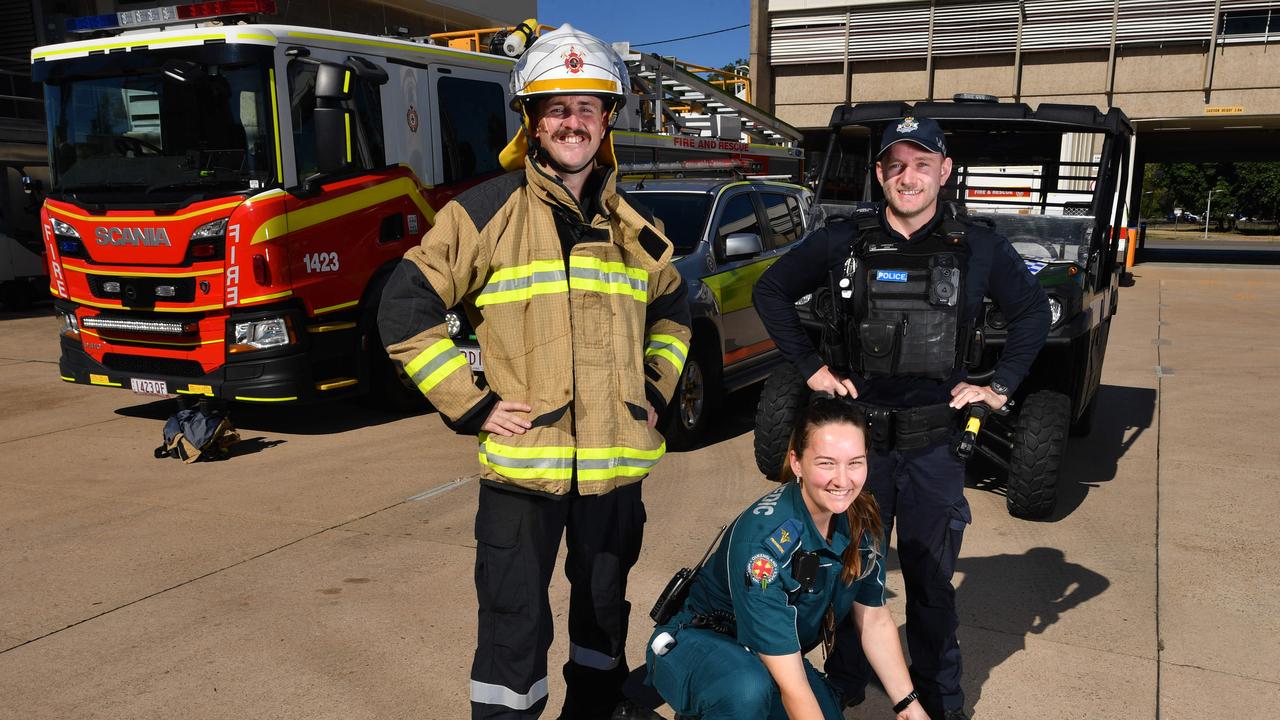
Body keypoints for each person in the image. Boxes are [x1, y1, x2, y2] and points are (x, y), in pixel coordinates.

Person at [377, 24, 692, 720]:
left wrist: (652, 392)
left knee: (603, 617)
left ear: (607, 119)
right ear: (530, 121)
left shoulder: (631, 224)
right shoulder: (485, 212)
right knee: (514, 630)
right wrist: (474, 404)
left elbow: (675, 309)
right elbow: (404, 307)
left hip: (613, 474)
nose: (572, 121)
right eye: (556, 106)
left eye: (587, 106)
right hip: (524, 472)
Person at [752, 115, 1051, 720]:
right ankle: (843, 688)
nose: (907, 177)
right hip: (855, 452)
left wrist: (997, 387)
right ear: (880, 174)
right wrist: (812, 369)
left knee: (931, 585)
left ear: (944, 172)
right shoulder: (844, 240)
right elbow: (771, 291)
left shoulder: (981, 247)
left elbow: (1033, 316)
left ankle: (939, 702)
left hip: (934, 449)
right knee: (848, 574)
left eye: (922, 164)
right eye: (895, 165)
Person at [645, 394, 929, 720]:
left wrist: (910, 706)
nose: (843, 479)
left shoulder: (861, 520)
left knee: (822, 710)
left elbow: (875, 621)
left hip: (770, 653)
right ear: (797, 463)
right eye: (826, 463)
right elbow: (792, 687)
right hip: (699, 642)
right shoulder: (764, 546)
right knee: (746, 691)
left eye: (854, 462)